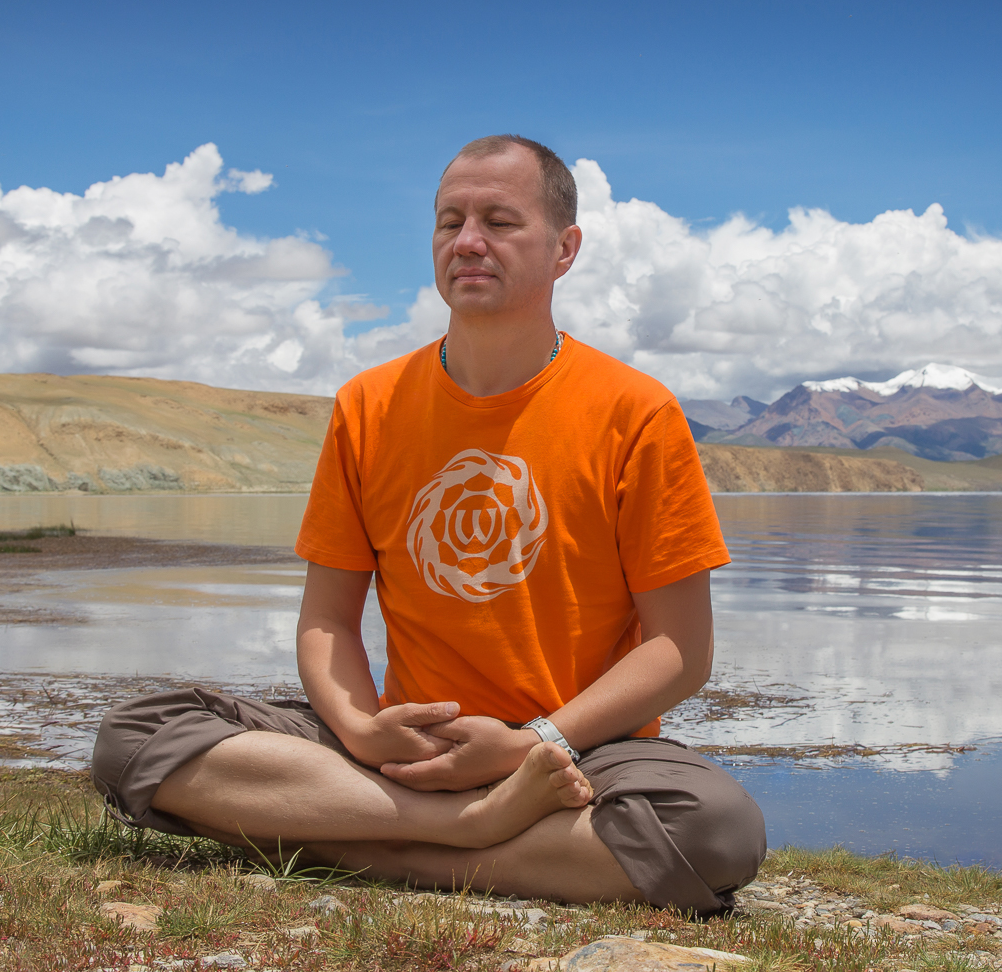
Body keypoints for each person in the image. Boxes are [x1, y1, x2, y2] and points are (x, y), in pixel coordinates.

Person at [92, 135, 766, 914]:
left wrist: (533, 743)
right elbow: (327, 620)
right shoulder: (369, 406)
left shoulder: (635, 412)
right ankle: (464, 831)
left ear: (564, 249)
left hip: (569, 755)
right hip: (405, 748)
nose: (468, 241)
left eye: (499, 222)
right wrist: (361, 728)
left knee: (717, 828)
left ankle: (358, 839)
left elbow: (681, 650)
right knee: (136, 736)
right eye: (451, 222)